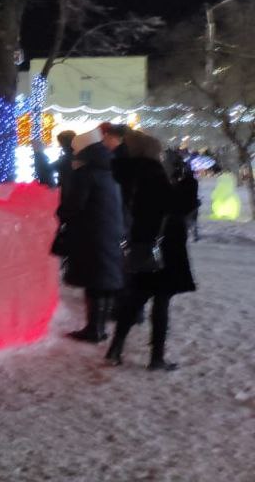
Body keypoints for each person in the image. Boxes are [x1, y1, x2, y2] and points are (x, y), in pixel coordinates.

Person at [105, 138, 197, 371]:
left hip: (142, 241)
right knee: (160, 301)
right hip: (163, 246)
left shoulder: (127, 171)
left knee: (136, 296)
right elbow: (177, 206)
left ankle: (115, 348)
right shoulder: (152, 174)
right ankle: (156, 357)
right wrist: (188, 183)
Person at [57, 128, 125, 343]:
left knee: (93, 281)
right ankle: (99, 327)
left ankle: (93, 330)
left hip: (91, 233)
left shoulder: (86, 174)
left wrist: (61, 212)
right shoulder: (111, 169)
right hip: (110, 230)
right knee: (103, 280)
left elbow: (74, 205)